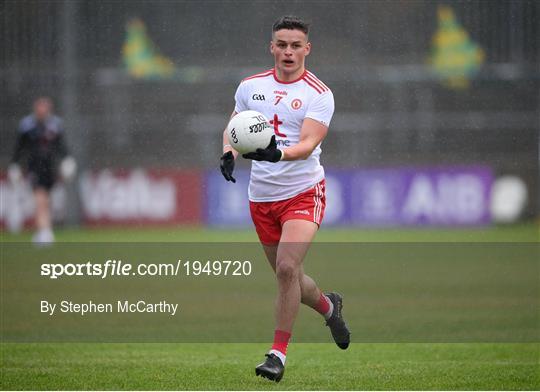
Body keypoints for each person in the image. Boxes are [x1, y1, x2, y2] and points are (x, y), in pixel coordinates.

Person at [219, 16, 350, 382]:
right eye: (282, 44)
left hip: (303, 192)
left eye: (295, 45)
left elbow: (308, 144)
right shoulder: (250, 87)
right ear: (272, 47)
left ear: (307, 49)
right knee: (290, 277)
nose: (288, 51)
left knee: (287, 269)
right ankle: (328, 306)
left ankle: (277, 355)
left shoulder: (318, 93)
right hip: (261, 198)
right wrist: (228, 152)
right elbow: (234, 127)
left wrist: (277, 154)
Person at [8, 97, 76, 244]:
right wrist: (15, 165)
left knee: (46, 201)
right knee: (40, 199)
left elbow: (61, 146)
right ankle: (45, 232)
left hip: (50, 167)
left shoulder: (55, 125)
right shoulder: (27, 126)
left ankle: (43, 230)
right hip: (35, 167)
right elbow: (19, 148)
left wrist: (67, 160)